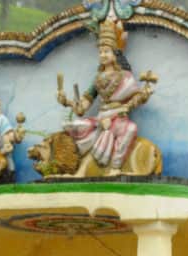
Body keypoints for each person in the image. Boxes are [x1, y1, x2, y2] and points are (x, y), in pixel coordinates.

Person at [57, 15, 155, 177]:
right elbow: (82, 107)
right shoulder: (97, 79)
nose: (102, 55)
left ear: (115, 53)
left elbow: (136, 98)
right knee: (76, 124)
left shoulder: (124, 76)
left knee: (131, 128)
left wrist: (143, 96)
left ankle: (116, 167)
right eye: (100, 51)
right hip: (100, 119)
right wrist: (67, 101)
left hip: (118, 118)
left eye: (106, 51)